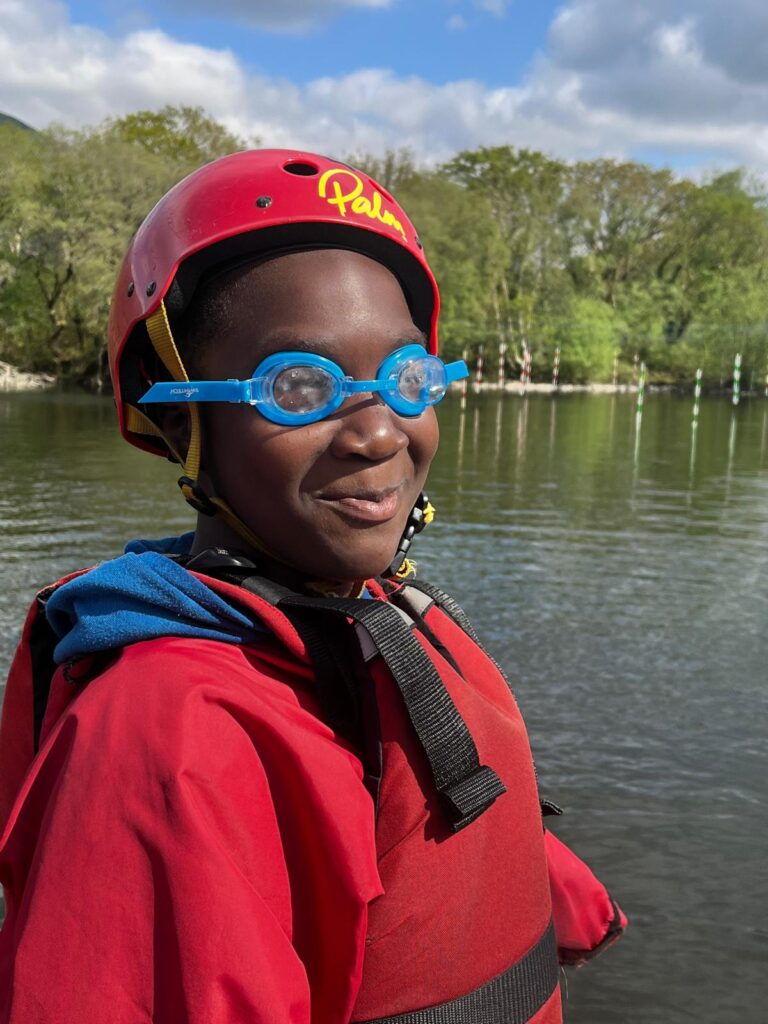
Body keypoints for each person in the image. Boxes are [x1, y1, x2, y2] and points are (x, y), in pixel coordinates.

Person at [0, 150, 623, 1023]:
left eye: (408, 378)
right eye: (300, 387)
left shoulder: (368, 616)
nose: (379, 433)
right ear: (180, 419)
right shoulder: (168, 737)